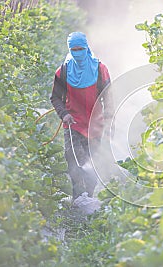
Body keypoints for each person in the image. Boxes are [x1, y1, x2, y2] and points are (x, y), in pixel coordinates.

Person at [50, 32, 111, 201]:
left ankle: (89, 196)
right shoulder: (63, 71)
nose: (77, 53)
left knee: (92, 160)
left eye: (80, 49)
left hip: (95, 125)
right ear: (69, 49)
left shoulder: (100, 69)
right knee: (72, 157)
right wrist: (64, 114)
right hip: (72, 124)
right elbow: (55, 97)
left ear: (86, 48)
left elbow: (108, 97)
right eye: (73, 49)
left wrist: (109, 119)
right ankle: (78, 196)